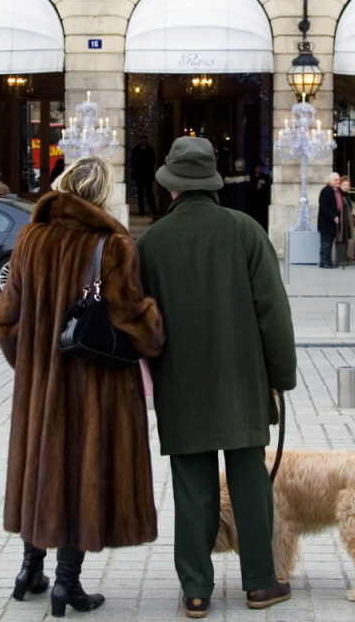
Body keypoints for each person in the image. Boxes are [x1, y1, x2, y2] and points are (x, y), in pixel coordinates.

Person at [0, 156, 165, 615]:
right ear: (102, 194)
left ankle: (30, 570)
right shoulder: (113, 245)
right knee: (83, 474)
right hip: (96, 385)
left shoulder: (30, 237)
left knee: (42, 469)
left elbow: (6, 319)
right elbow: (133, 320)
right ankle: (67, 583)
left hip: (40, 385)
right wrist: (154, 328)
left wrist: (30, 365)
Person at [137, 137, 296, 617]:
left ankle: (196, 590)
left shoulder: (151, 242)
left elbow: (143, 321)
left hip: (180, 382)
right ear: (212, 183)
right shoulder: (245, 231)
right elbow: (273, 312)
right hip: (242, 378)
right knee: (250, 477)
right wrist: (281, 376)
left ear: (170, 188)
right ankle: (261, 584)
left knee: (191, 485)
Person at [317, 172, 345, 268]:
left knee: (329, 244)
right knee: (326, 244)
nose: (338, 181)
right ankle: (324, 262)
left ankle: (328, 262)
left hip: (333, 223)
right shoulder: (326, 190)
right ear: (330, 180)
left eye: (339, 180)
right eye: (336, 180)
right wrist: (333, 216)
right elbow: (324, 207)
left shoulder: (336, 191)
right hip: (326, 223)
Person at [130, 136, 158, 216]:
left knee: (149, 193)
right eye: (141, 140)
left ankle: (153, 209)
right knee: (140, 194)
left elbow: (153, 161)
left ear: (146, 141)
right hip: (139, 175)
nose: (142, 142)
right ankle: (141, 210)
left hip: (148, 175)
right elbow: (133, 162)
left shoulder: (150, 150)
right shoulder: (135, 150)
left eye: (144, 140)